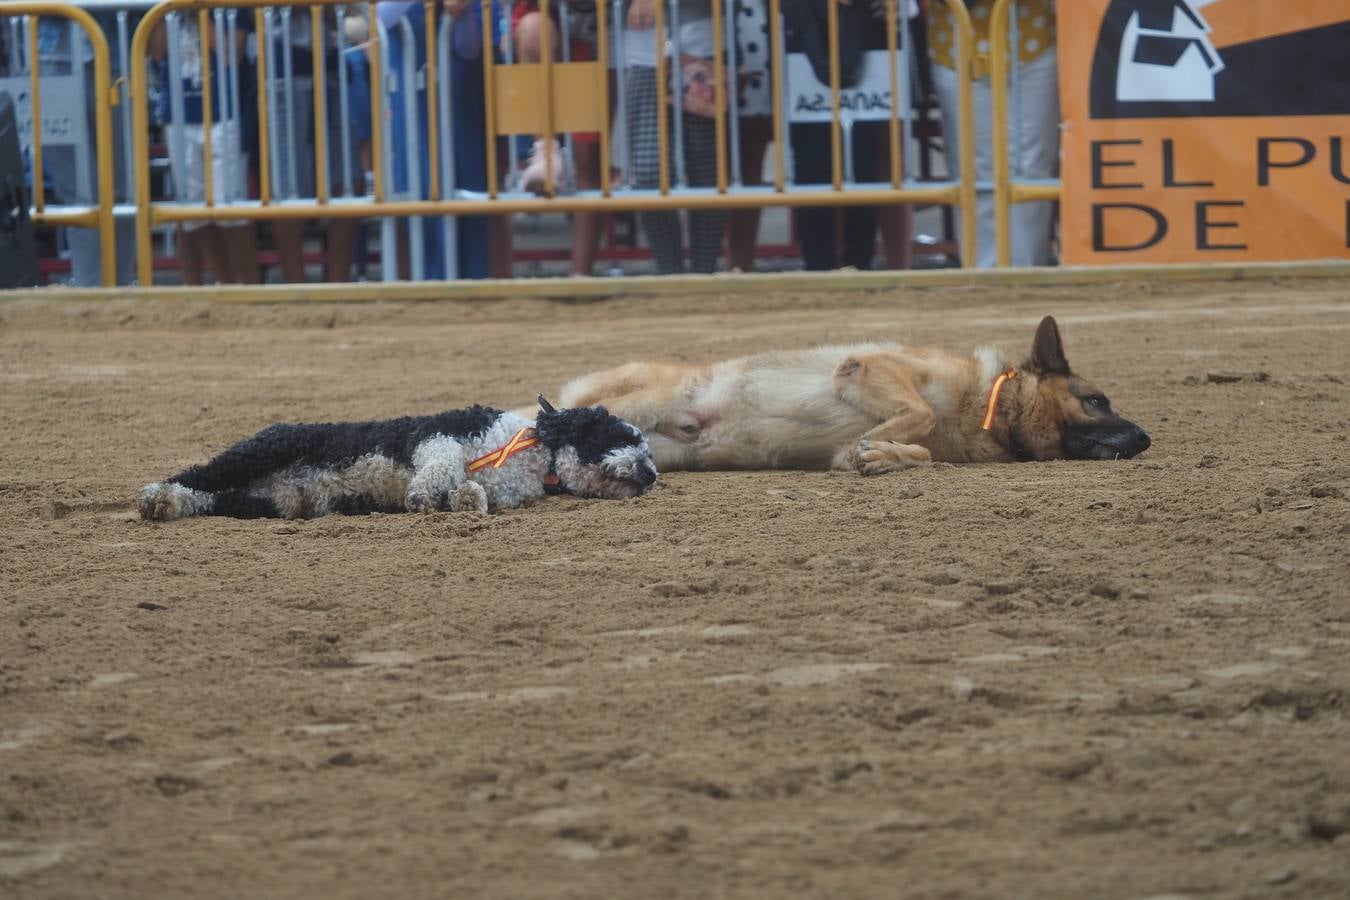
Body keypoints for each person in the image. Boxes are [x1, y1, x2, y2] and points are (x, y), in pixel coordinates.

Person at [925, 0, 1057, 266]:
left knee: (1031, 166)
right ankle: (983, 271)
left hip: (1035, 40)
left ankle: (1026, 268)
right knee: (975, 168)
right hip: (957, 47)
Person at [151, 10, 259, 284]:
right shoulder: (167, 10)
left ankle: (249, 289)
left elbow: (230, 54)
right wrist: (169, 10)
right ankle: (222, 286)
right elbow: (157, 52)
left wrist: (199, 12)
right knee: (193, 215)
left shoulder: (230, 7)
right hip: (179, 115)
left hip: (225, 114)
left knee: (231, 211)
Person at [29, 14, 137, 286]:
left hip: (116, 56)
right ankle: (90, 287)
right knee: (75, 193)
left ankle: (121, 285)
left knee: (123, 188)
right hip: (54, 59)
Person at [783, 0, 887, 271]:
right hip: (802, 33)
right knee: (811, 158)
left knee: (863, 154)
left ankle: (861, 260)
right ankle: (818, 263)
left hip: (866, 30)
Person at [508, 0, 611, 276]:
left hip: (600, 33)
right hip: (546, 23)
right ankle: (546, 150)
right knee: (532, 30)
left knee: (589, 159)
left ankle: (581, 276)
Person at [624, 0, 726, 274]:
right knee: (648, 173)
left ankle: (703, 274)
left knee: (707, 174)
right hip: (645, 52)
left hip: (702, 45)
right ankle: (670, 273)